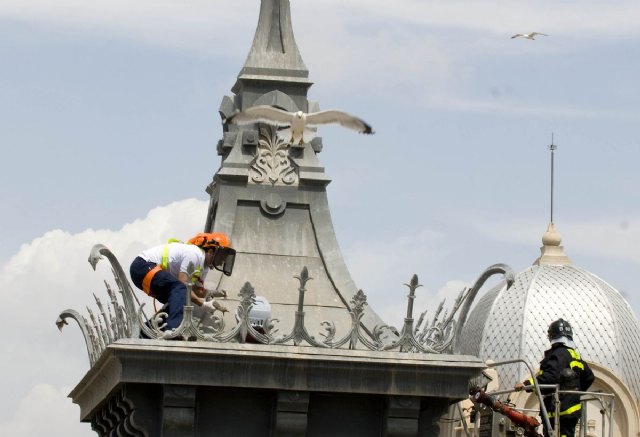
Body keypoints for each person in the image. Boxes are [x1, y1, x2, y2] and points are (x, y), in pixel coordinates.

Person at [129, 232, 236, 331]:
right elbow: (183, 284)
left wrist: (209, 293)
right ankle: (173, 331)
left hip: (149, 272)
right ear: (211, 251)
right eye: (222, 256)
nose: (223, 261)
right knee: (180, 291)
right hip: (142, 266)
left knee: (180, 301)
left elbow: (196, 290)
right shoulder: (194, 254)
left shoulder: (204, 267)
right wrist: (202, 303)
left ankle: (147, 331)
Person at [514, 318, 595, 437]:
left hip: (558, 411)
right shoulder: (574, 354)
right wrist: (574, 393)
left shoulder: (558, 354)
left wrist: (526, 385)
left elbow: (550, 377)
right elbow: (589, 377)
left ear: (552, 336)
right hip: (572, 410)